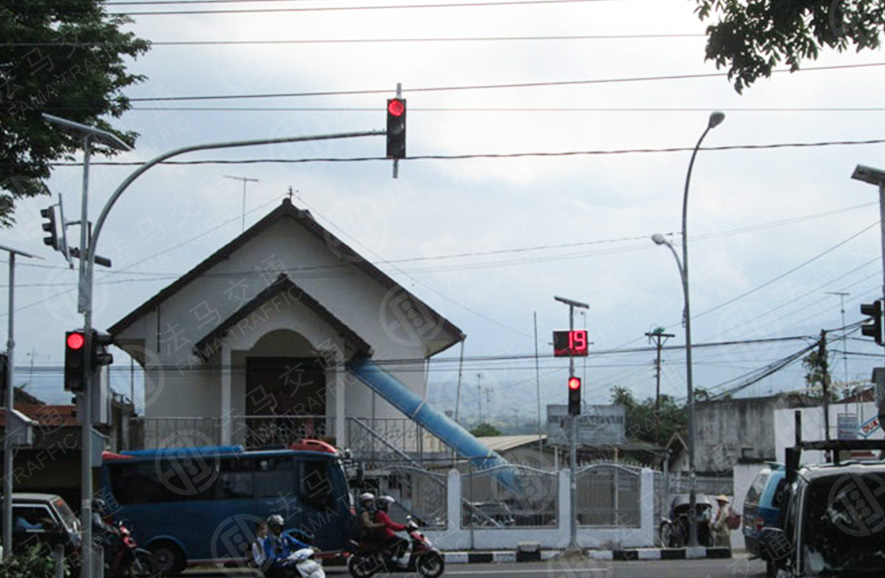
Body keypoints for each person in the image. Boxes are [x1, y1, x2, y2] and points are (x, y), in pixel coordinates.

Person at [374, 496, 409, 568]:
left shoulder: (381, 513)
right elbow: (391, 525)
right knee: (404, 542)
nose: (389, 506)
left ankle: (391, 558)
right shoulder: (381, 514)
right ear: (383, 505)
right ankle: (395, 559)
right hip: (385, 536)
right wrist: (404, 527)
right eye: (388, 504)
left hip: (386, 534)